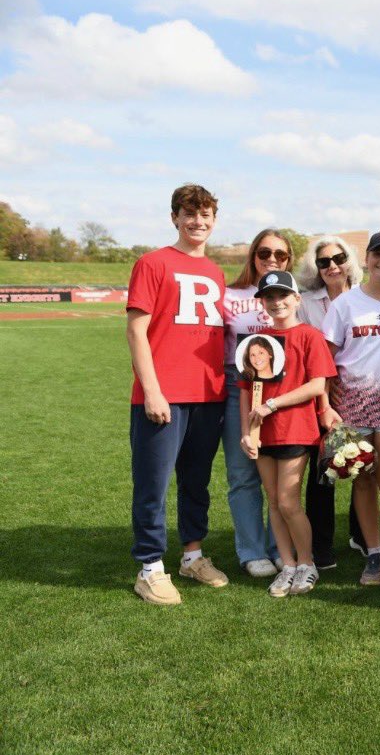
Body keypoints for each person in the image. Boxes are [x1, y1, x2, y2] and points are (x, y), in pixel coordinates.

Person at [128, 184, 229, 605]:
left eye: (205, 214)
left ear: (214, 219)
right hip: (163, 395)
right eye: (189, 213)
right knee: (153, 484)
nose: (197, 221)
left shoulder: (217, 272)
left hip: (209, 394)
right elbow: (136, 330)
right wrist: (153, 391)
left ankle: (192, 556)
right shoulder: (152, 263)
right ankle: (150, 567)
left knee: (196, 481)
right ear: (174, 217)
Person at [320, 232, 380, 586]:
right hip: (352, 406)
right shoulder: (345, 304)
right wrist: (326, 407)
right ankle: (374, 553)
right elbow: (326, 361)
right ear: (367, 258)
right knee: (362, 483)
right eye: (378, 254)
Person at [238, 270, 336, 597]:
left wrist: (273, 404)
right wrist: (248, 432)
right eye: (269, 297)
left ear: (297, 299)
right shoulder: (257, 340)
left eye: (283, 296)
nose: (276, 302)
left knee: (288, 502)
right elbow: (247, 390)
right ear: (262, 302)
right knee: (275, 504)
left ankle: (306, 564)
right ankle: (288, 564)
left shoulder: (309, 335)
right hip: (264, 434)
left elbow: (317, 384)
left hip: (296, 429)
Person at [220, 228, 294, 578]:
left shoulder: (293, 293)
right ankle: (251, 550)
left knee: (279, 475)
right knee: (243, 471)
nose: (272, 260)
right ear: (253, 255)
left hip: (283, 392)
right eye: (265, 253)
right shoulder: (229, 294)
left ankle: (277, 544)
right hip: (241, 388)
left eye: (280, 255)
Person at [295, 234, 363, 569]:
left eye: (338, 259)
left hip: (362, 394)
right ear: (316, 268)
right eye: (324, 262)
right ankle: (321, 546)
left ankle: (361, 535)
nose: (333, 266)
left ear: (350, 260)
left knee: (365, 465)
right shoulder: (306, 303)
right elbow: (303, 352)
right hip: (320, 395)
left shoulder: (366, 297)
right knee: (323, 473)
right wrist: (324, 397)